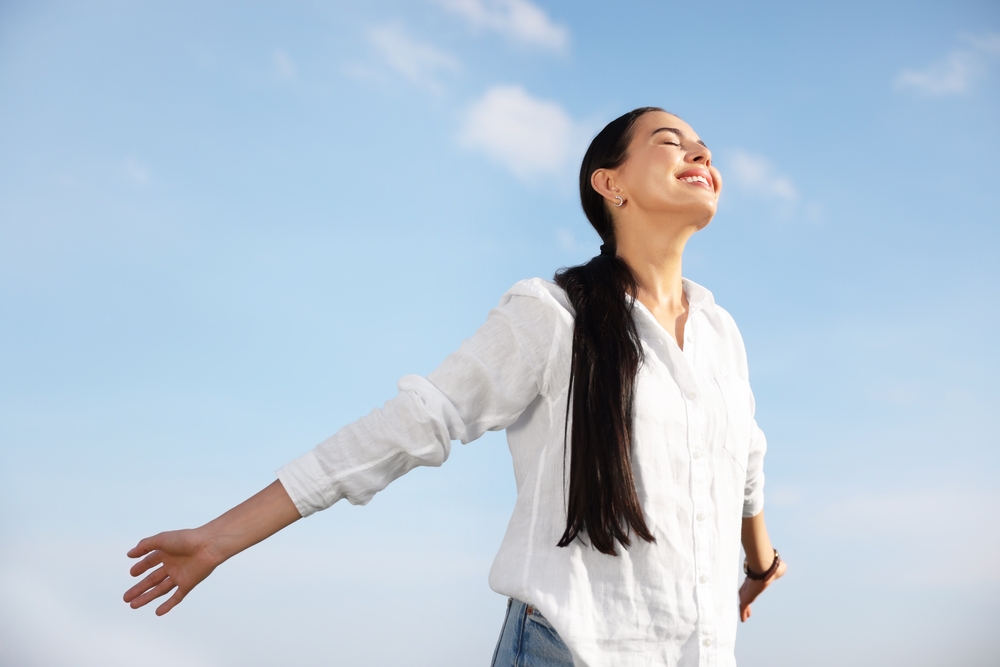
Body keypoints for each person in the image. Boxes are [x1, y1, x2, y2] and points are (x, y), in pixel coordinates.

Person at [124, 107, 786, 667]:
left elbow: (743, 465)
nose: (700, 152)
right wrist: (219, 537)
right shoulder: (555, 314)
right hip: (569, 650)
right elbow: (416, 421)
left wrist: (759, 566)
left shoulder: (720, 333)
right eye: (670, 141)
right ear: (609, 183)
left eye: (704, 146)